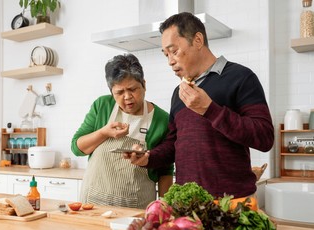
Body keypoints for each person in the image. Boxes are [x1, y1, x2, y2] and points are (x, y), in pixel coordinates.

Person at [126, 12, 274, 210]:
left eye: (174, 51)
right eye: (166, 54)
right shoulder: (179, 93)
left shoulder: (241, 77)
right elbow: (173, 144)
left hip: (232, 204)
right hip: (187, 204)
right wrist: (149, 157)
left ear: (197, 40)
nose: (169, 61)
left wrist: (210, 109)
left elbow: (264, 137)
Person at [71, 53, 173, 209]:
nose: (127, 97)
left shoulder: (162, 119)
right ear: (111, 91)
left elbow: (166, 170)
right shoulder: (102, 106)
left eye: (133, 89)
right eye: (119, 92)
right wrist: (103, 133)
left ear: (144, 85)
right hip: (92, 203)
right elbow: (77, 148)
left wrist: (165, 209)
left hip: (136, 206)